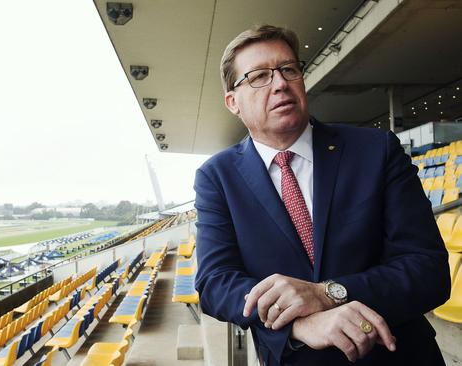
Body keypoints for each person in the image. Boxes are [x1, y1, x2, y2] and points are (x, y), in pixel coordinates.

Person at [193, 24, 450, 365]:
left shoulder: (376, 150)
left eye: (288, 69)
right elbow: (215, 283)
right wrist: (302, 323)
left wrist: (325, 295)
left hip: (398, 355)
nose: (280, 83)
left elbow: (428, 270)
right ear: (232, 102)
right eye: (259, 77)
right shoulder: (217, 177)